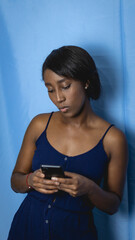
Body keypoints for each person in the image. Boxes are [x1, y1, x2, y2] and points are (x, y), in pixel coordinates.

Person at [7, 46, 128, 240]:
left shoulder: (113, 139)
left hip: (76, 233)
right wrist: (31, 180)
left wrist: (89, 188)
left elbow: (113, 205)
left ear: (86, 82)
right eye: (50, 89)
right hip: (26, 228)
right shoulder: (39, 124)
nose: (58, 98)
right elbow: (16, 180)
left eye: (65, 86)